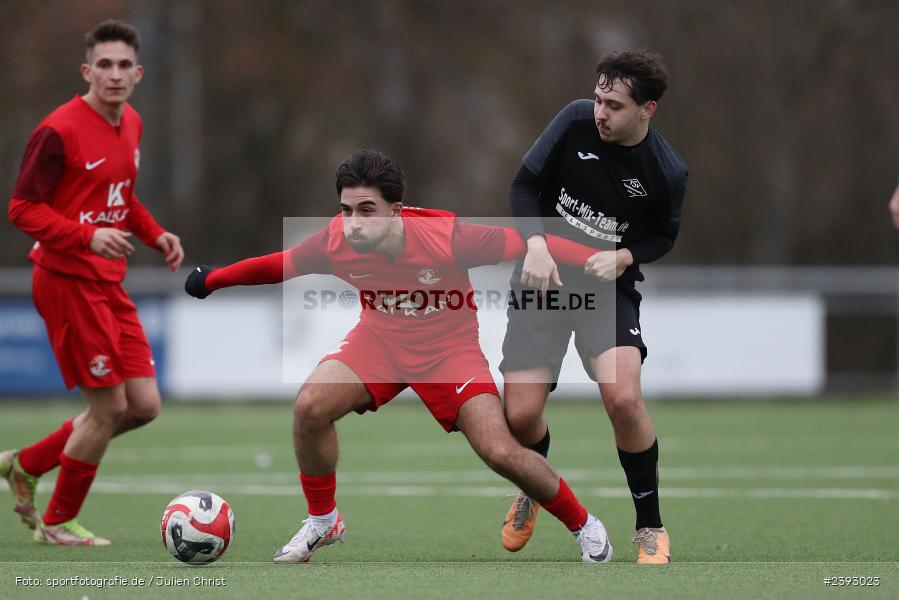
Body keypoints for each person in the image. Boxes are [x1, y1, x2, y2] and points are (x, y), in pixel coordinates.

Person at [185, 149, 615, 563]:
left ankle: (585, 526)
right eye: (346, 209)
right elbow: (275, 265)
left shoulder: (448, 238)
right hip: (380, 343)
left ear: (396, 209)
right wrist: (213, 281)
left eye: (366, 209)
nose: (353, 222)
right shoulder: (335, 240)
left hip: (449, 352)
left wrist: (600, 258)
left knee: (500, 451)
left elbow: (530, 244)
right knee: (310, 407)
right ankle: (323, 521)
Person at [498, 50, 687, 564]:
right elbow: (522, 186)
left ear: (648, 109)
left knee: (624, 401)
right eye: (599, 98)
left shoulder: (666, 173)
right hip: (543, 279)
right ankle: (535, 485)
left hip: (608, 292)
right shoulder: (575, 120)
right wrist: (535, 243)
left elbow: (663, 239)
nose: (600, 112)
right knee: (519, 416)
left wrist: (625, 255)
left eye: (615, 105)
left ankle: (650, 527)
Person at [1, 20, 184, 546]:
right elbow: (20, 209)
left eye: (124, 65)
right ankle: (57, 522)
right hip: (65, 279)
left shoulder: (133, 125)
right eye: (104, 64)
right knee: (109, 409)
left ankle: (26, 463)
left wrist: (155, 234)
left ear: (139, 73)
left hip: (107, 281)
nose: (114, 74)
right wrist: (85, 236)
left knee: (144, 406)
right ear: (87, 70)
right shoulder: (58, 130)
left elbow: (120, 198)